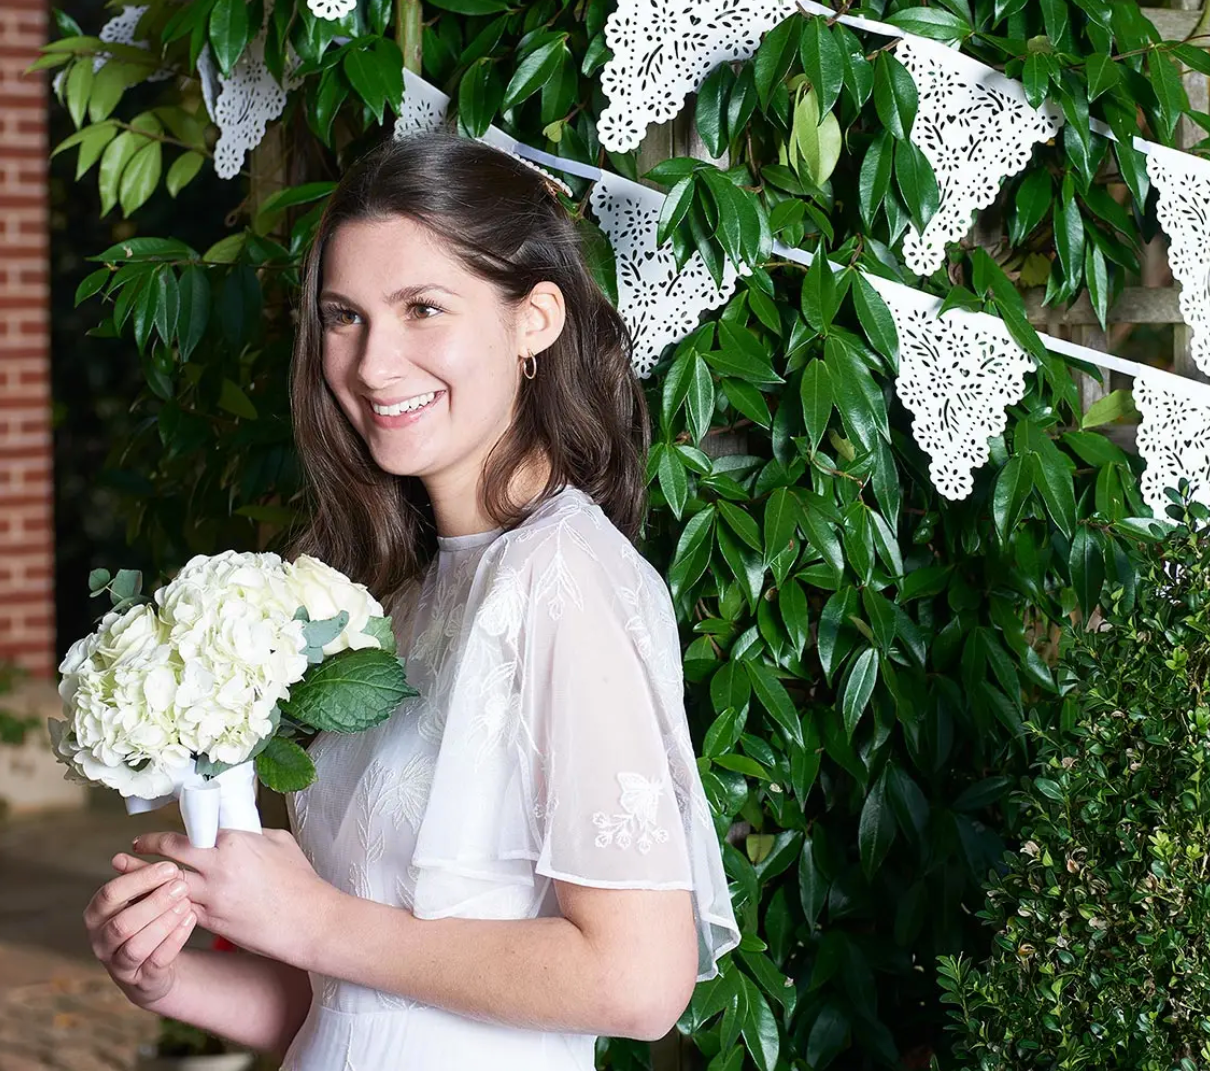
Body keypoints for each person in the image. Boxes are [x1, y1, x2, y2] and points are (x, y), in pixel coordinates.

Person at [81, 133, 740, 1069]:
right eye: (345, 317)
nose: (372, 365)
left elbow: (640, 983)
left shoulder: (560, 580)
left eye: (422, 308)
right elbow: (356, 1009)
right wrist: (167, 975)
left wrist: (311, 921)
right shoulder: (405, 597)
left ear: (536, 320)